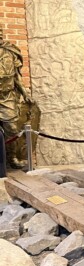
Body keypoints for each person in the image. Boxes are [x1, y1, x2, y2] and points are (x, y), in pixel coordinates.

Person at [0, 27, 35, 169]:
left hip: (7, 97)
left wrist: (25, 94)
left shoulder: (10, 51)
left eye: (0, 31)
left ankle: (12, 158)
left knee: (12, 128)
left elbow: (17, 78)